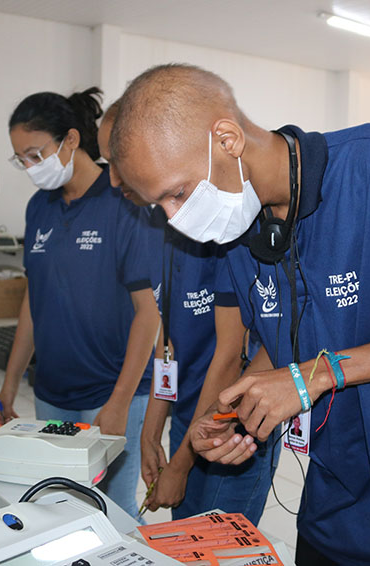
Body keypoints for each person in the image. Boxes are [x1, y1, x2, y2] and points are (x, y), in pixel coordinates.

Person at [108, 64, 370, 565]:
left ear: (227, 139)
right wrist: (237, 414)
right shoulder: (238, 232)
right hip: (333, 501)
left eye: (178, 193)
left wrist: (314, 376)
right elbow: (285, 346)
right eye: (158, 206)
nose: (174, 218)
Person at [98, 103, 278, 524]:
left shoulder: (221, 229)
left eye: (119, 162)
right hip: (187, 420)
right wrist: (150, 431)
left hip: (228, 428)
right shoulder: (159, 228)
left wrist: (181, 464)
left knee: (215, 543)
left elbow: (229, 356)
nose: (112, 179)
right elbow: (171, 342)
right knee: (183, 541)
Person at [0, 87, 159, 521]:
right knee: (60, 507)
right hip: (52, 391)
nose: (30, 168)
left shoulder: (124, 199)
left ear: (70, 140)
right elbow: (36, 297)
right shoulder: (39, 208)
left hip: (110, 389)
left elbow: (149, 312)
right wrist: (12, 380)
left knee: (113, 511)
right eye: (21, 159)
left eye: (35, 154)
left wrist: (121, 400)